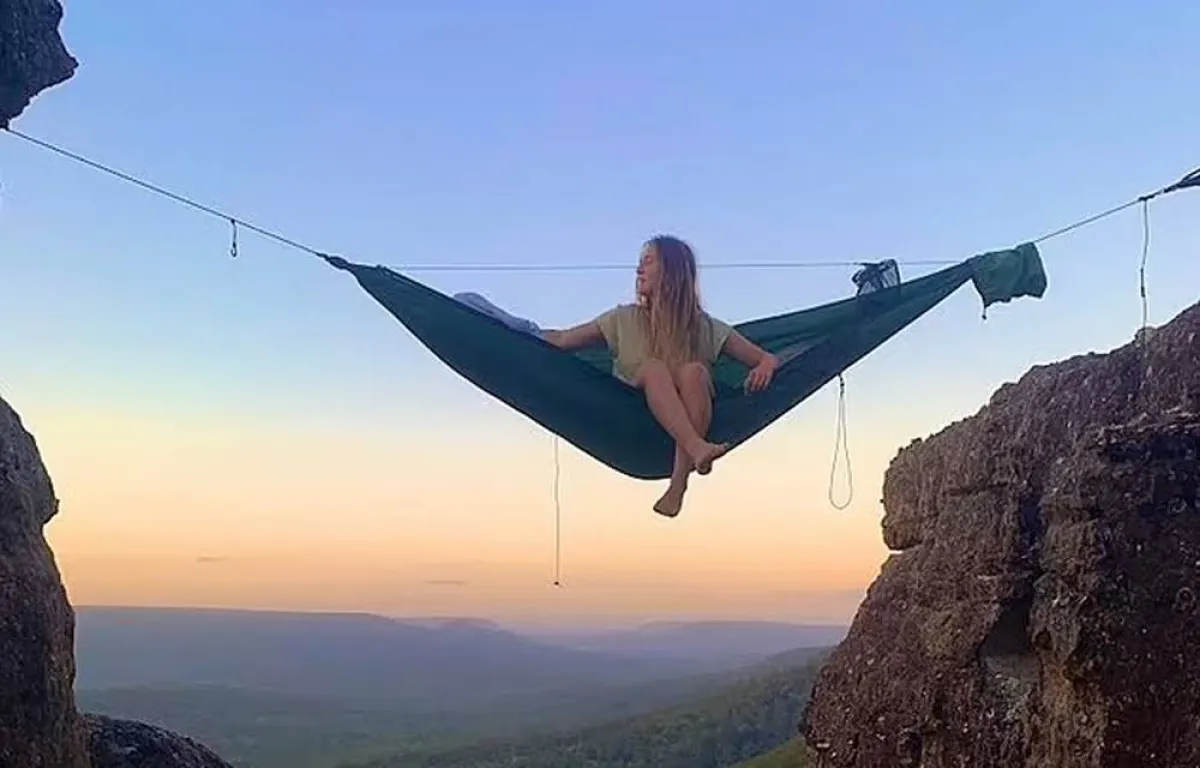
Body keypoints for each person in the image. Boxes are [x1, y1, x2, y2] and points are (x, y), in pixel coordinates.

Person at [543, 235, 779, 517]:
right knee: (654, 368)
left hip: (687, 416)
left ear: (672, 269)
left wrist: (764, 367)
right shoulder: (623, 318)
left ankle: (678, 484)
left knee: (694, 372)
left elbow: (766, 358)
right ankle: (696, 447)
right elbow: (562, 339)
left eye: (648, 261)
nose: (638, 269)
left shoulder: (705, 327)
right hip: (632, 413)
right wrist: (509, 329)